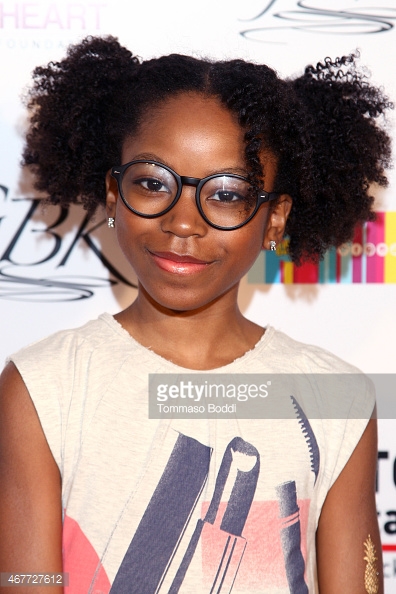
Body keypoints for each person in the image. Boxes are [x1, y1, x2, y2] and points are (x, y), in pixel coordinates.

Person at [0, 36, 392, 594]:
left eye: (228, 193)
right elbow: (25, 580)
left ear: (275, 217)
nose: (183, 223)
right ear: (114, 194)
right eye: (153, 183)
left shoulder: (337, 400)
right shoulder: (45, 387)